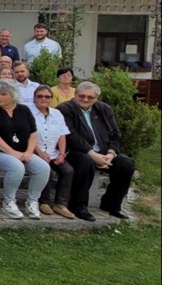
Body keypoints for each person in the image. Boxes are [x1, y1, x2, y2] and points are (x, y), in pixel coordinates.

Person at [57, 81, 136, 221]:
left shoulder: (104, 109)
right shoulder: (65, 109)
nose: (85, 99)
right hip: (76, 151)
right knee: (85, 162)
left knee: (126, 164)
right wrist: (92, 154)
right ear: (75, 94)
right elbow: (71, 136)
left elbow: (115, 134)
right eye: (82, 96)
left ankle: (112, 204)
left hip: (104, 152)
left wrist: (111, 154)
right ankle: (78, 206)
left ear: (96, 98)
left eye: (90, 97)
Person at [0, 78, 50, 219]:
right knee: (16, 167)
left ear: (13, 95)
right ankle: (8, 202)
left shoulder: (24, 110)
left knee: (43, 168)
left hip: (22, 151)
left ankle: (32, 201)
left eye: (3, 94)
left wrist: (29, 152)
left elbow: (33, 134)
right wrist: (12, 153)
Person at [29, 85, 76, 219]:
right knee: (46, 170)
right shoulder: (27, 112)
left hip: (53, 152)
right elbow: (28, 135)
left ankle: (61, 204)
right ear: (34, 98)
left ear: (51, 98)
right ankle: (44, 202)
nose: (43, 99)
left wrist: (61, 153)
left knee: (68, 170)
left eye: (47, 97)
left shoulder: (57, 113)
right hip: (34, 152)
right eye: (40, 96)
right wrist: (39, 153)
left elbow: (62, 135)